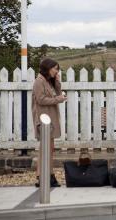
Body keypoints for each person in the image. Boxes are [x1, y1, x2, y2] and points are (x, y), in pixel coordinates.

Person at [32, 58, 67, 188]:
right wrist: (58, 99)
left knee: (49, 149)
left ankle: (49, 175)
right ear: (48, 68)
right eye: (55, 68)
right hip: (43, 119)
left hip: (50, 118)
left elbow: (57, 93)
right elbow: (41, 100)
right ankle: (42, 176)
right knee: (44, 149)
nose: (57, 71)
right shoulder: (39, 81)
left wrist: (57, 81)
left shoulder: (48, 81)